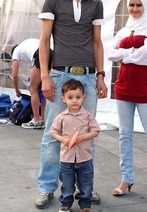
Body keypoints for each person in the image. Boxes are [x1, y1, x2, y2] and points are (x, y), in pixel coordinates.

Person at [36, 0, 107, 209]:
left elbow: (97, 42)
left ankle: (84, 189)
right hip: (60, 75)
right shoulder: (53, 1)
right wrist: (45, 76)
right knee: (52, 134)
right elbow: (44, 42)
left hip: (88, 76)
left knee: (87, 135)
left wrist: (100, 75)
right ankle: (46, 188)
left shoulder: (96, 3)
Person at [106, 0, 147, 199]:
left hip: (146, 89)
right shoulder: (124, 30)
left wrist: (125, 56)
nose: (134, 9)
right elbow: (110, 54)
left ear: (145, 5)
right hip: (123, 87)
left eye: (138, 5)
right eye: (131, 5)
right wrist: (131, 53)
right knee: (124, 135)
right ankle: (126, 177)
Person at [51, 79, 101, 212]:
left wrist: (83, 137)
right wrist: (62, 139)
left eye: (78, 97)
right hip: (66, 159)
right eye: (70, 97)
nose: (74, 101)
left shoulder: (87, 116)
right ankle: (66, 203)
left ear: (83, 98)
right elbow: (53, 132)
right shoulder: (61, 117)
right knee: (67, 184)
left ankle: (85, 205)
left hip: (85, 158)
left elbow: (96, 131)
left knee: (86, 184)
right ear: (63, 99)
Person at [10, 38, 53, 129]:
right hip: (50, 52)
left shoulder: (16, 52)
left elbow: (14, 75)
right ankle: (43, 119)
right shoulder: (26, 44)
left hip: (39, 53)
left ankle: (36, 120)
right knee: (44, 87)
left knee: (33, 89)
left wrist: (17, 89)